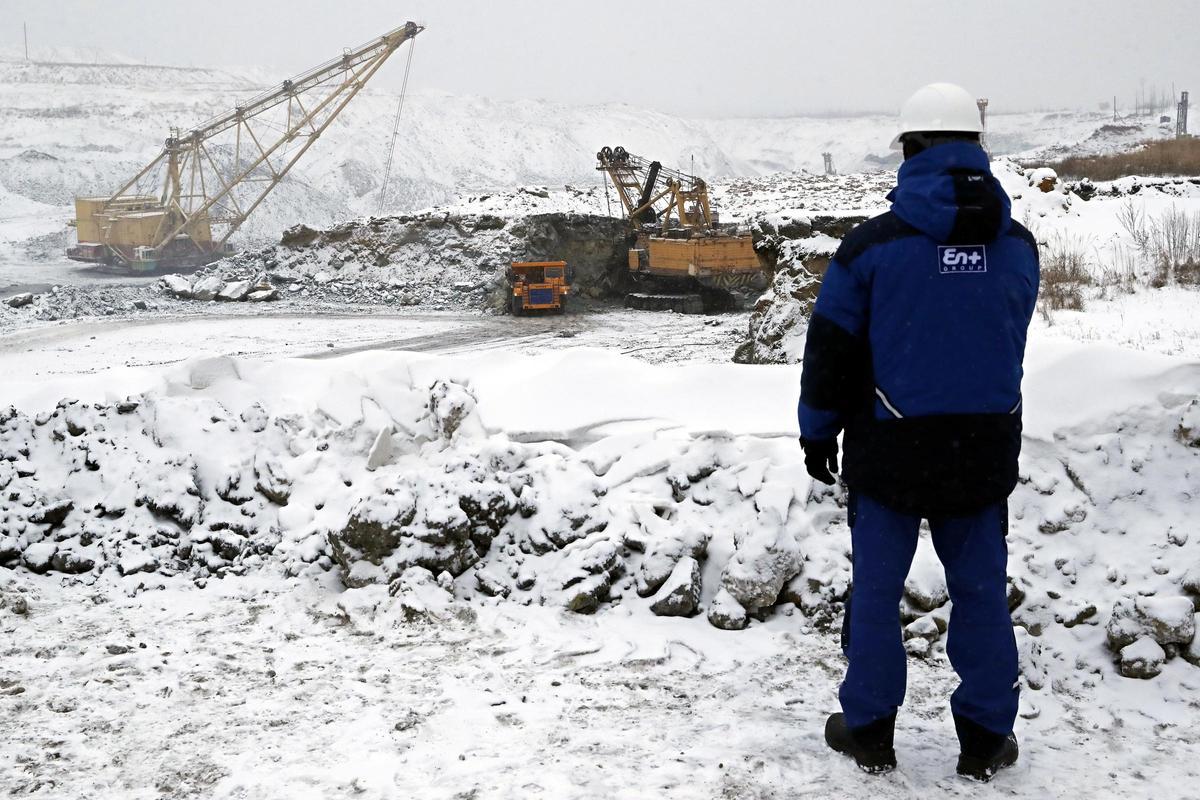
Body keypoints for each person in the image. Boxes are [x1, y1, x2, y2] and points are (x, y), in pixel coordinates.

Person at [797, 82, 1039, 781]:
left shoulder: (870, 249)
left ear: (909, 150)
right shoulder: (1018, 246)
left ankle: (870, 730)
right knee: (982, 594)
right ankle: (986, 738)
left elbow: (831, 352)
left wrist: (819, 433)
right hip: (982, 450)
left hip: (890, 450)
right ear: (978, 147)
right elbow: (1002, 336)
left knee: (875, 592)